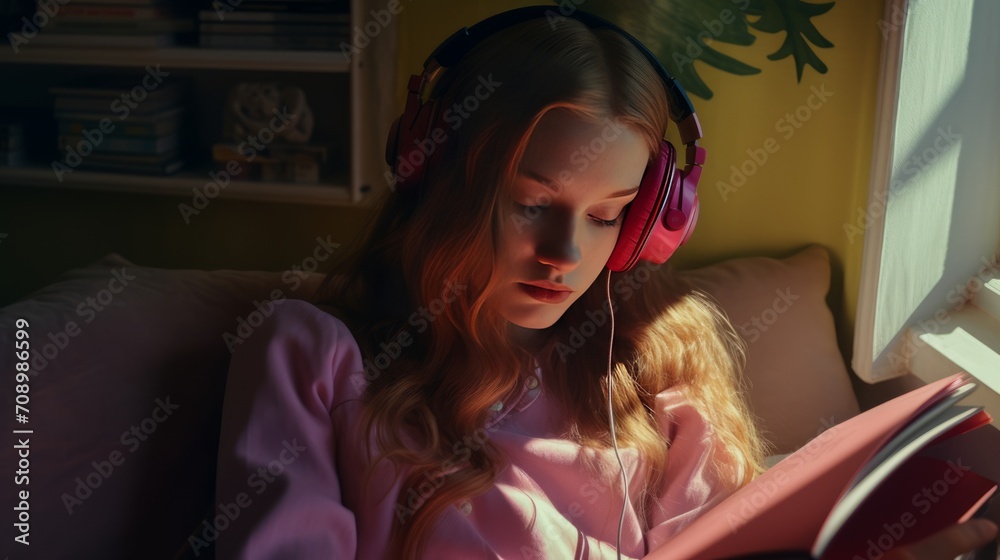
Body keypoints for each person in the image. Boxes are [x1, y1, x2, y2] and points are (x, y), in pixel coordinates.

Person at [213, 7, 998, 559]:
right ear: (435, 175)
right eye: (531, 204)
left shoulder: (659, 362)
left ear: (652, 217)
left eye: (607, 214)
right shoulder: (313, 355)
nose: (565, 252)